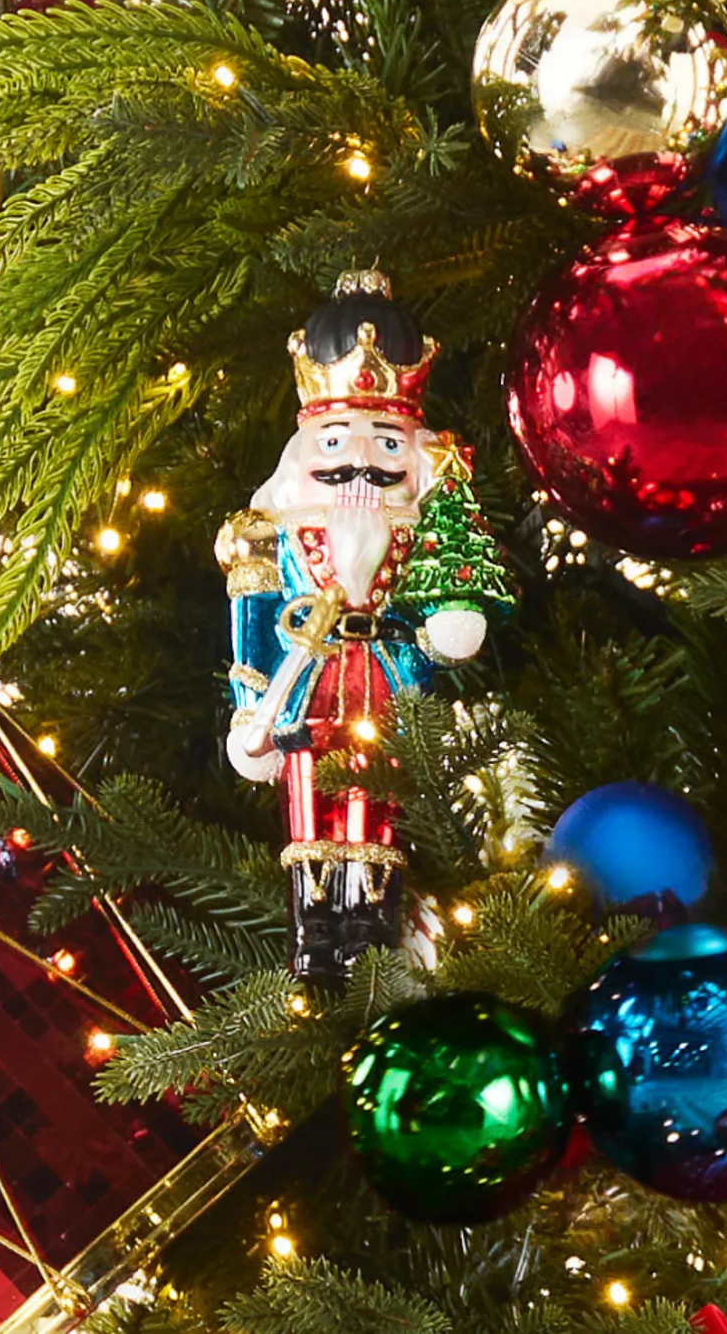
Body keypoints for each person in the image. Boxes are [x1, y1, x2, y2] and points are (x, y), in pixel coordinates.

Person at [216, 270, 504, 981]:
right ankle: (315, 923)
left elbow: (436, 600)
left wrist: (441, 634)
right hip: (304, 687)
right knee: (309, 791)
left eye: (387, 446)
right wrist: (249, 704)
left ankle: (371, 915)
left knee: (377, 793)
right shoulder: (272, 532)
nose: (362, 465)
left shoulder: (421, 529)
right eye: (338, 442)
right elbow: (252, 618)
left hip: (386, 681)